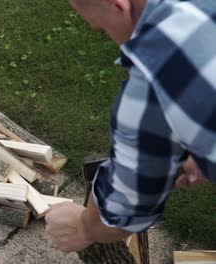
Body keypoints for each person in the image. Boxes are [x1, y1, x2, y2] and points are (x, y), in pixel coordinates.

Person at [44, 0, 216, 252]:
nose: (98, 29)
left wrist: (83, 226)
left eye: (100, 26)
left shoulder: (152, 88)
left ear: (120, 6)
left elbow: (122, 212)